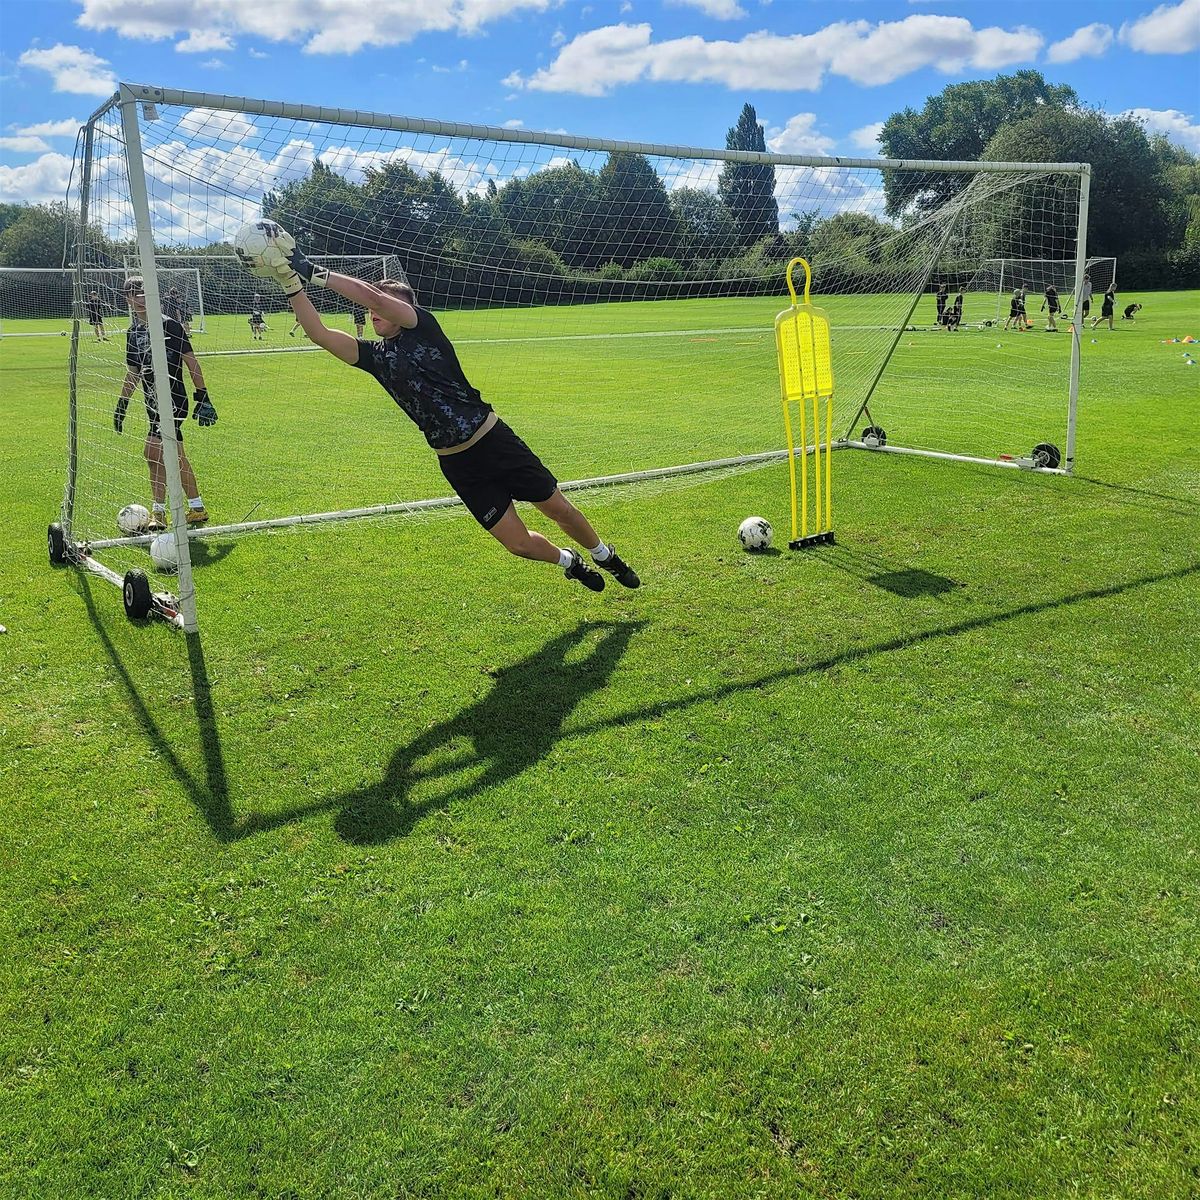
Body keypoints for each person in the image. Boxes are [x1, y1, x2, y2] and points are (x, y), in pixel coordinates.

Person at [256, 237, 641, 594]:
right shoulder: (374, 358)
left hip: (493, 442)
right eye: (370, 309)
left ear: (404, 308)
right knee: (517, 544)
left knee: (557, 508)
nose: (371, 311)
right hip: (457, 464)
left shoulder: (424, 329)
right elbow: (320, 334)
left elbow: (371, 295)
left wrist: (312, 269)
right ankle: (568, 561)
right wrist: (292, 282)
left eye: (380, 305)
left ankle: (603, 554)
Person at [113, 275, 216, 531]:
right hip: (152, 402)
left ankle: (163, 513)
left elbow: (191, 361)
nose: (138, 299)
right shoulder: (133, 333)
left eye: (143, 293)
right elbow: (133, 372)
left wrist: (202, 394)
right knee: (165, 455)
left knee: (154, 451)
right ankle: (194, 508)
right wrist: (122, 404)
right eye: (133, 294)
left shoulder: (170, 326)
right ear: (126, 299)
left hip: (174, 399)